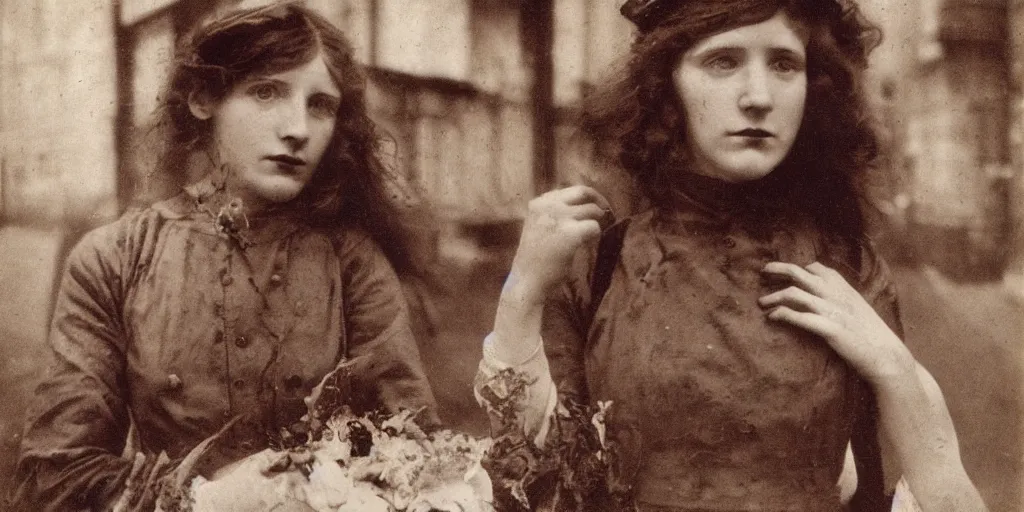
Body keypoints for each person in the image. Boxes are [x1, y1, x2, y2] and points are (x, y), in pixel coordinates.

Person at [475, 0, 987, 511]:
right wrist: (521, 292)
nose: (758, 97)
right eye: (723, 61)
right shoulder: (603, 258)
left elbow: (922, 490)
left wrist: (895, 370)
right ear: (667, 83)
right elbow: (537, 480)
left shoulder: (847, 264)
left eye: (785, 64)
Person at [12, 3, 439, 511]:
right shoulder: (114, 258)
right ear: (203, 98)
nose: (298, 129)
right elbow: (57, 478)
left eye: (320, 105)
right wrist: (209, 500)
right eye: (266, 91)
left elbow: (416, 454)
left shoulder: (350, 260)